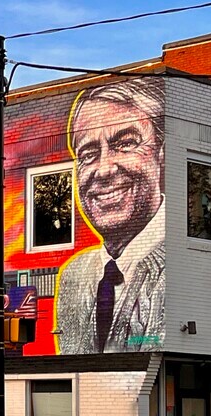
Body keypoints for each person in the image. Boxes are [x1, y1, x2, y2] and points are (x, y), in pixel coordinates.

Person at [55, 79, 165, 354]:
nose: (103, 169)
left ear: (162, 153)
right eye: (88, 154)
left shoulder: (186, 263)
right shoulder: (74, 276)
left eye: (126, 143)